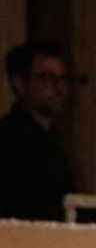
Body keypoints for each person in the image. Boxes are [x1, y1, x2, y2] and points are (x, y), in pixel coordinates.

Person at [0, 41, 72, 221]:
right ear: (19, 84)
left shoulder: (52, 141)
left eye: (62, 79)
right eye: (47, 78)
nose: (58, 88)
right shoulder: (8, 140)